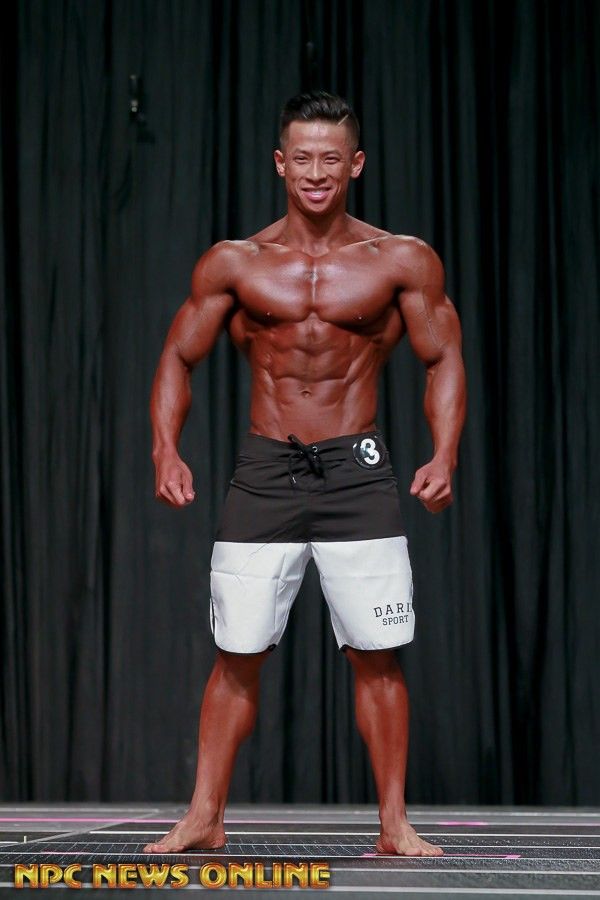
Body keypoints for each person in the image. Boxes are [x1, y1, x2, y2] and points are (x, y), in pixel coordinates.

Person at [146, 90, 466, 857]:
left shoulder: (402, 259)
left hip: (357, 471)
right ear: (280, 164)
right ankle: (204, 816)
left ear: (355, 164)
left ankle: (394, 823)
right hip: (266, 470)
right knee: (237, 653)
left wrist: (445, 452)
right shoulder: (235, 263)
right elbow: (178, 356)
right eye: (303, 158)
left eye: (331, 158)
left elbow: (444, 356)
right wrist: (165, 447)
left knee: (376, 655)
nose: (316, 173)